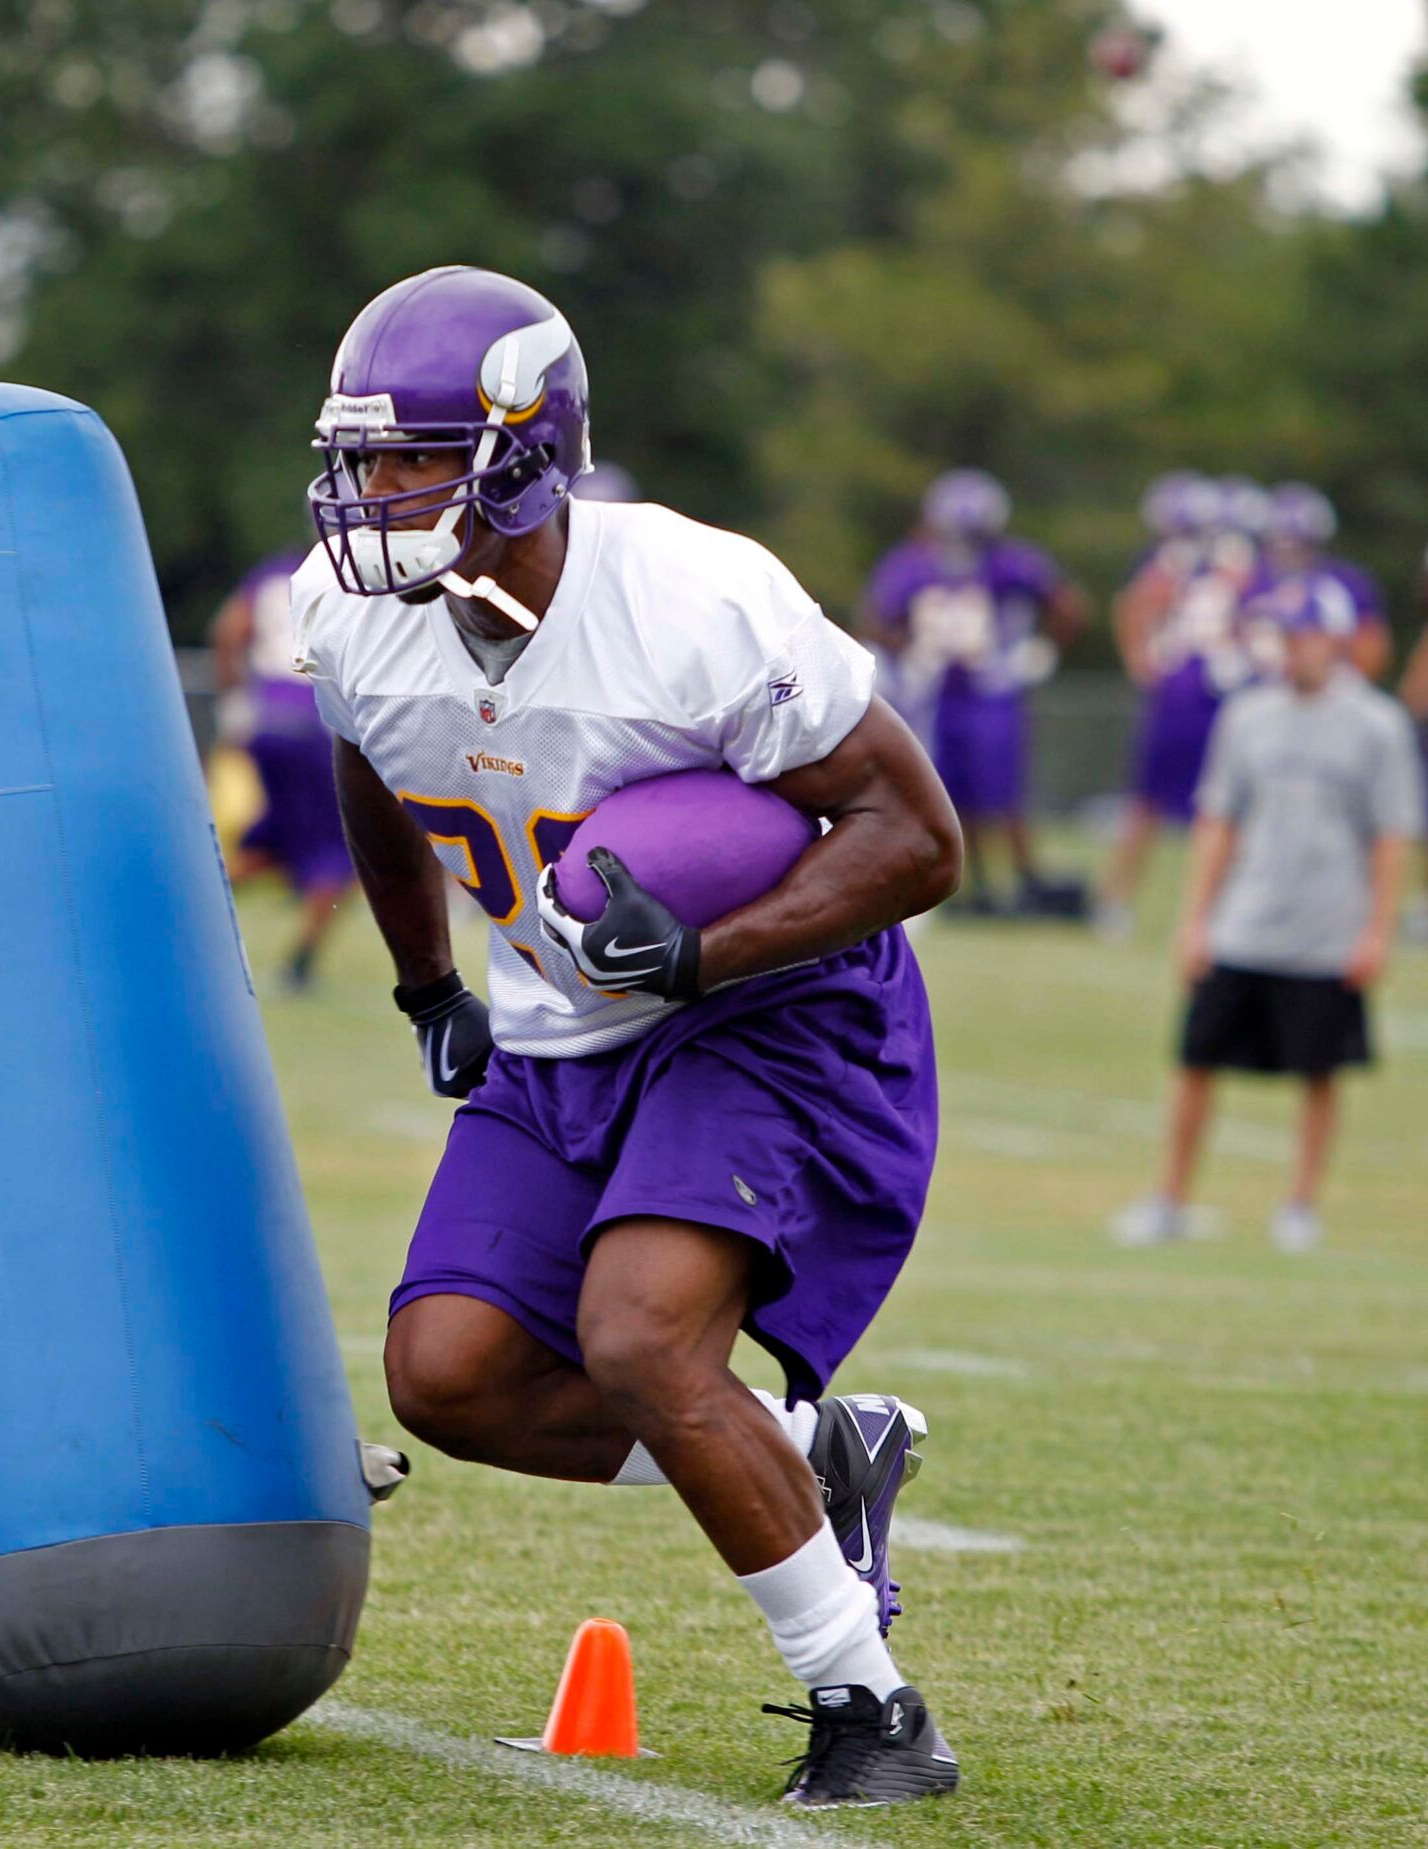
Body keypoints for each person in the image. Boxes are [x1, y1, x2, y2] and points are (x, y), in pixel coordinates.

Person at [300, 266, 964, 1807]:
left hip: (770, 1007)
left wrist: (710, 946)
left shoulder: (694, 602)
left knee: (643, 1337)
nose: (374, 493)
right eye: (361, 457)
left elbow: (915, 838)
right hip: (560, 1024)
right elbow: (373, 773)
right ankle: (814, 1450)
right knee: (448, 1374)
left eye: (415, 456)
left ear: (526, 455)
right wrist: (427, 984)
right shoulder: (349, 614)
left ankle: (872, 1711)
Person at [1117, 578, 1420, 1252]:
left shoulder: (1378, 725)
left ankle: (1300, 1206)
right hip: (1245, 921)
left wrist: (1376, 931)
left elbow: (1392, 837)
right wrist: (1195, 920)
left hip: (1326, 930)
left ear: (1335, 640)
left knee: (1319, 1072)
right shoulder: (1247, 715)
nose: (1286, 651)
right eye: (1278, 636)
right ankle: (1170, 1199)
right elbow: (1218, 822)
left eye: (1299, 636)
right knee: (1196, 1061)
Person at [861, 469, 1085, 915]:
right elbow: (874, 618)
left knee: (1003, 789)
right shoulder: (911, 563)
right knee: (950, 791)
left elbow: (1068, 606)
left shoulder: (1010, 562)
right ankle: (974, 881)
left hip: (992, 691)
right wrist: (908, 655)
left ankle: (1026, 879)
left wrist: (1039, 651)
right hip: (936, 695)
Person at [1096, 473, 1263, 938]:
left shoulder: (1236, 566)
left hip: (1223, 697)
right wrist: (1142, 660)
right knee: (1147, 804)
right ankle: (1116, 901)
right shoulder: (1178, 564)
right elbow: (1136, 606)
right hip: (1186, 694)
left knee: (1231, 808)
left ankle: (1222, 907)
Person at [210, 550, 356, 988]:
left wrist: (235, 702)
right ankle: (299, 967)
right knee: (339, 850)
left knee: (275, 840)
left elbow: (228, 630)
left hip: (264, 723)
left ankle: (177, 921)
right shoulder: (355, 575)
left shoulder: (275, 570)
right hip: (313, 728)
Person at [1257, 484, 1390, 682]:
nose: (1289, 555)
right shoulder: (1252, 581)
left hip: (1332, 692)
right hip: (1262, 697)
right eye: (1281, 544)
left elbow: (1372, 652)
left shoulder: (1349, 584)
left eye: (1300, 545)